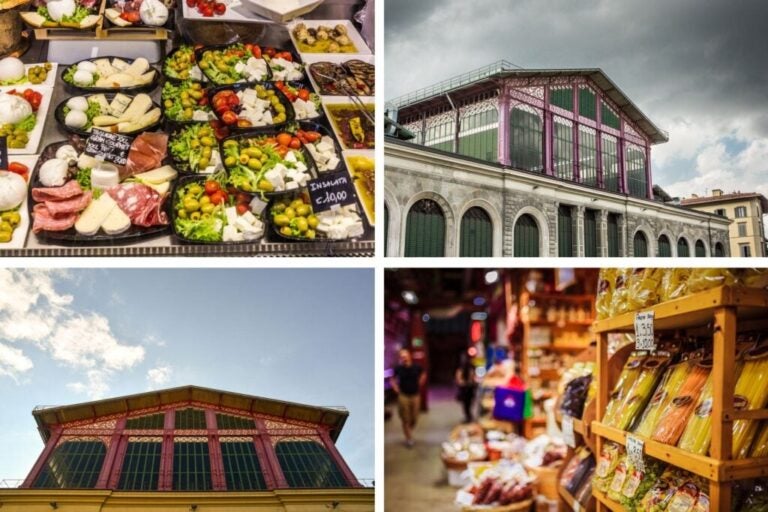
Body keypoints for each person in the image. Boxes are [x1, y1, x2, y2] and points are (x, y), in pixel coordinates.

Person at [390, 348, 425, 447]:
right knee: (405, 418)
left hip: (415, 395)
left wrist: (420, 382)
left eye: (405, 356)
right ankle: (409, 438)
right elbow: (392, 379)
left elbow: (423, 374)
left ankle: (408, 431)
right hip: (403, 396)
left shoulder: (417, 367)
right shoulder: (398, 368)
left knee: (414, 418)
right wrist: (395, 387)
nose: (404, 358)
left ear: (409, 356)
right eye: (402, 356)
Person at [455, 353, 477, 423]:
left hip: (465, 388)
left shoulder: (461, 368)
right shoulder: (471, 367)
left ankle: (468, 416)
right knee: (469, 403)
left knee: (466, 404)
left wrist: (462, 383)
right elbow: (473, 377)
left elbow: (458, 379)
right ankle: (469, 416)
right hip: (469, 388)